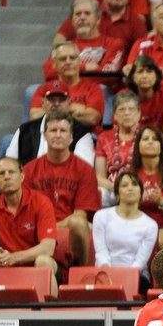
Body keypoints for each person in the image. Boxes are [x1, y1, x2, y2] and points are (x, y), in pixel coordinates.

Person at [0, 158, 58, 299]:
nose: (7, 177)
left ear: (22, 176)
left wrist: (14, 257)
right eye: (1, 174)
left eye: (12, 172)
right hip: (2, 264)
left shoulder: (41, 202)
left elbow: (48, 247)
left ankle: (50, 314)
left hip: (32, 262)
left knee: (43, 261)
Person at [23, 111, 102, 268]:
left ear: (71, 137)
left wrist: (52, 226)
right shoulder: (29, 170)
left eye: (63, 131)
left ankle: (81, 273)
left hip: (68, 226)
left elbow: (80, 214)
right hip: (37, 227)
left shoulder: (84, 169)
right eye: (53, 130)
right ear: (44, 135)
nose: (58, 135)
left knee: (79, 222)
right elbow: (25, 212)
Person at [40, 0, 126, 91]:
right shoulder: (63, 48)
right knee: (32, 90)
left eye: (87, 13)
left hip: (98, 93)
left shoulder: (114, 44)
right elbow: (49, 72)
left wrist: (68, 73)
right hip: (67, 93)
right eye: (78, 14)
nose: (82, 17)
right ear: (72, 21)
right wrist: (85, 67)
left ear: (98, 19)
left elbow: (109, 74)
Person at [93, 172, 159, 284]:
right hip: (104, 273)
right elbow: (101, 252)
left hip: (137, 276)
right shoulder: (101, 216)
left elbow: (141, 261)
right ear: (117, 194)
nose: (130, 188)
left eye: (134, 184)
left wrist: (126, 277)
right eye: (124, 185)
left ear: (141, 192)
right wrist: (109, 275)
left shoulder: (151, 225)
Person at [7, 86, 96, 167]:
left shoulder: (81, 132)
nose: (56, 104)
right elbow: (10, 163)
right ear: (42, 103)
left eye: (61, 100)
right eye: (51, 100)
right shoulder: (25, 130)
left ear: (70, 104)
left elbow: (84, 168)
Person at [29, 43, 106, 130]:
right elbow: (34, 117)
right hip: (49, 135)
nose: (68, 62)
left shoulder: (94, 89)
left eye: (72, 58)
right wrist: (76, 109)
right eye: (62, 59)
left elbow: (92, 118)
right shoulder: (43, 90)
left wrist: (52, 109)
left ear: (79, 61)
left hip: (84, 135)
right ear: (54, 63)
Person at [123, 57, 163, 145]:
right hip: (130, 145)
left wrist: (148, 142)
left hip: (158, 145)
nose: (144, 76)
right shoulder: (123, 97)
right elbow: (120, 133)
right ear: (133, 77)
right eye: (140, 72)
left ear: (156, 76)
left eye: (149, 72)